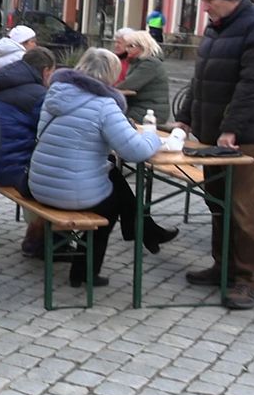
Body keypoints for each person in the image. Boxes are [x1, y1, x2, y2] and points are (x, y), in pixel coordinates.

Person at [176, 0, 254, 310]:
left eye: (209, 2)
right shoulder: (217, 27)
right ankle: (223, 266)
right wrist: (185, 118)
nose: (205, 8)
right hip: (211, 137)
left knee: (243, 208)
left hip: (242, 138)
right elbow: (201, 79)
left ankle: (248, 279)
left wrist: (231, 128)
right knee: (217, 202)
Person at [29, 49, 177, 288]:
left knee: (114, 176)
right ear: (112, 75)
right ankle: (85, 271)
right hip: (69, 193)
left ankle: (146, 230)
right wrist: (153, 138)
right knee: (111, 205)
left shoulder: (56, 92)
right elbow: (135, 151)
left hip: (40, 184)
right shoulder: (104, 104)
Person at [0, 47, 57, 258]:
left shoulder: (5, 84)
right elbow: (52, 131)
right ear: (46, 71)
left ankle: (40, 238)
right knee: (56, 180)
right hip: (11, 166)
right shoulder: (38, 95)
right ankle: (39, 240)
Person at [117, 30, 171, 126]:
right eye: (127, 46)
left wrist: (107, 88)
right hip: (140, 106)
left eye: (131, 46)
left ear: (143, 47)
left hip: (150, 111)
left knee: (115, 120)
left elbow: (129, 84)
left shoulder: (150, 63)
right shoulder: (138, 62)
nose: (127, 49)